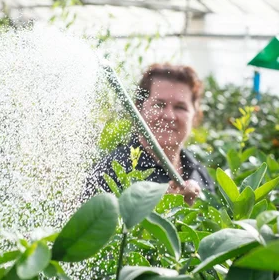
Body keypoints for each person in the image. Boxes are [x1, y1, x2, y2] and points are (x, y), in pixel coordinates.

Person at [86, 63, 215, 205]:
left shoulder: (199, 172)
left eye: (180, 107)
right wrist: (160, 206)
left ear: (195, 116)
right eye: (159, 105)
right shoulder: (110, 170)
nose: (169, 116)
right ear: (138, 109)